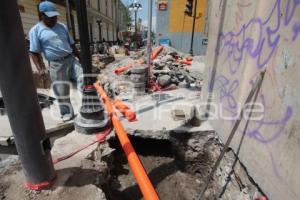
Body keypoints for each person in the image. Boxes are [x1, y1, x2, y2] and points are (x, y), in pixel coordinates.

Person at [29, 1, 83, 121]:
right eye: (51, 16)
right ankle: (67, 113)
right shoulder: (36, 30)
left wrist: (80, 58)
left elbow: (72, 44)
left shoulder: (62, 26)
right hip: (56, 64)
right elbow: (34, 52)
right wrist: (40, 69)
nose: (54, 18)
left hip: (71, 60)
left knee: (84, 79)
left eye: (55, 16)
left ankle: (88, 106)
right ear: (42, 15)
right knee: (61, 91)